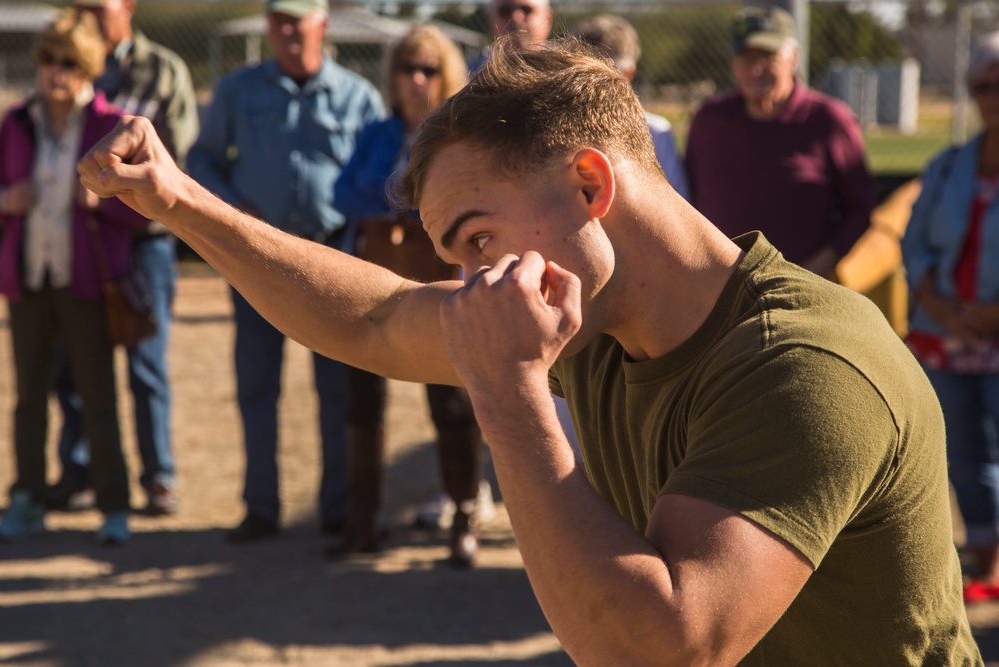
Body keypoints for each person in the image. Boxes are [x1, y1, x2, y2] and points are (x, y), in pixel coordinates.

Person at [80, 39, 979, 664]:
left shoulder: (802, 362)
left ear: (590, 182)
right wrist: (177, 201)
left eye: (476, 239)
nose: (474, 282)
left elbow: (657, 649)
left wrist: (508, 392)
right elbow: (374, 317)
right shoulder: (593, 319)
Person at [186, 0, 384, 543]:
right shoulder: (236, 91)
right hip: (256, 259)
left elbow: (381, 173)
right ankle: (261, 507)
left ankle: (338, 509)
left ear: (322, 24)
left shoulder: (357, 96)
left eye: (299, 19)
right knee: (256, 385)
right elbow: (201, 160)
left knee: (336, 388)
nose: (288, 29)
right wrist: (233, 212)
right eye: (278, 19)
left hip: (333, 259)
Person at [330, 25, 487, 567]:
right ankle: (362, 523)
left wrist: (403, 201)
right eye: (406, 69)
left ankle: (464, 517)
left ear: (446, 76)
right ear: (392, 77)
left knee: (450, 401)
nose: (417, 80)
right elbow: (341, 193)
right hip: (372, 277)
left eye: (428, 69)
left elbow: (470, 200)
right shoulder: (375, 132)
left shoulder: (459, 136)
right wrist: (402, 197)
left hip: (439, 278)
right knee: (362, 399)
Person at [0, 8, 148, 545]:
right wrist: (5, 200)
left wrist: (104, 202)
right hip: (28, 277)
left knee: (97, 395)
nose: (55, 71)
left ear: (87, 68)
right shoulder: (15, 123)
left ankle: (115, 507)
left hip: (86, 282)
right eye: (47, 60)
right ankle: (27, 499)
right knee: (27, 397)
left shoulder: (114, 126)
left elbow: (145, 209)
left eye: (67, 62)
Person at [48, 0, 200, 515]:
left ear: (128, 6)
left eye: (99, 5)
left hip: (144, 243)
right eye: (80, 6)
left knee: (146, 362)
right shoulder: (69, 59)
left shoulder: (164, 71)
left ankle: (158, 476)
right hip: (82, 241)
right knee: (73, 363)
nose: (88, 15)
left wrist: (118, 186)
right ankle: (80, 468)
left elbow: (181, 157)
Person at [901, 31, 999, 605]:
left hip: (989, 330)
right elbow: (915, 246)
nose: (993, 97)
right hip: (946, 335)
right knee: (961, 447)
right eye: (983, 86)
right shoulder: (948, 167)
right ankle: (985, 558)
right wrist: (940, 308)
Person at [685, 5, 876, 279]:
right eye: (746, 57)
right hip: (714, 289)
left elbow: (860, 208)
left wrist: (816, 269)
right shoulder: (708, 121)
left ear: (793, 57)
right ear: (732, 63)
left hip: (798, 288)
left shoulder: (829, 120)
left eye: (768, 56)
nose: (756, 68)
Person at [571, 13, 689, 200]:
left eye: (606, 74)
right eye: (583, 73)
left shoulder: (655, 132)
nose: (593, 85)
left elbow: (679, 203)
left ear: (628, 74)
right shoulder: (563, 131)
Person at [468, 0, 552, 74]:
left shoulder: (563, 72)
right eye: (505, 11)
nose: (516, 18)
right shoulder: (465, 76)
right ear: (490, 20)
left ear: (547, 19)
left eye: (526, 10)